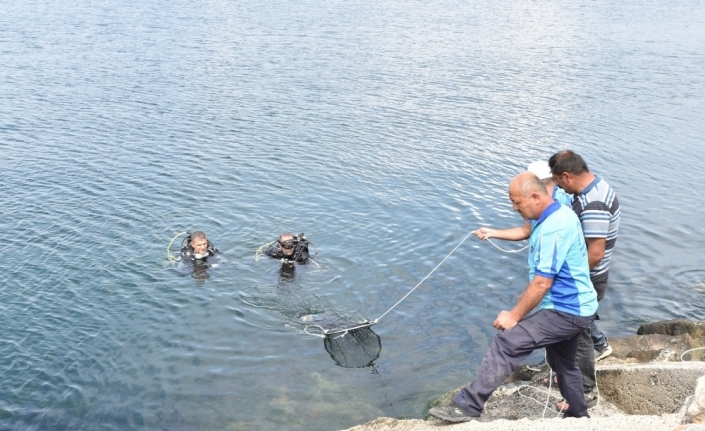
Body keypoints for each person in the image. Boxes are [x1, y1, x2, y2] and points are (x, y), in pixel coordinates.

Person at [429, 172, 597, 422]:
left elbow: (542, 283)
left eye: (517, 202)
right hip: (577, 306)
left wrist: (514, 315)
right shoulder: (553, 213)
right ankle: (577, 414)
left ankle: (467, 406)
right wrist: (494, 232)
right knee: (563, 361)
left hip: (567, 309)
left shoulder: (555, 227)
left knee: (506, 343)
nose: (514, 207)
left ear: (536, 197)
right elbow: (527, 235)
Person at [548, 150, 620, 408]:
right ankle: (572, 373)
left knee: (578, 336)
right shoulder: (594, 186)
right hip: (589, 277)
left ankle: (584, 393)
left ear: (567, 176)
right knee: (581, 329)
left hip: (588, 278)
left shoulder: (593, 203)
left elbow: (596, 253)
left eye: (556, 180)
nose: (556, 186)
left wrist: (566, 277)